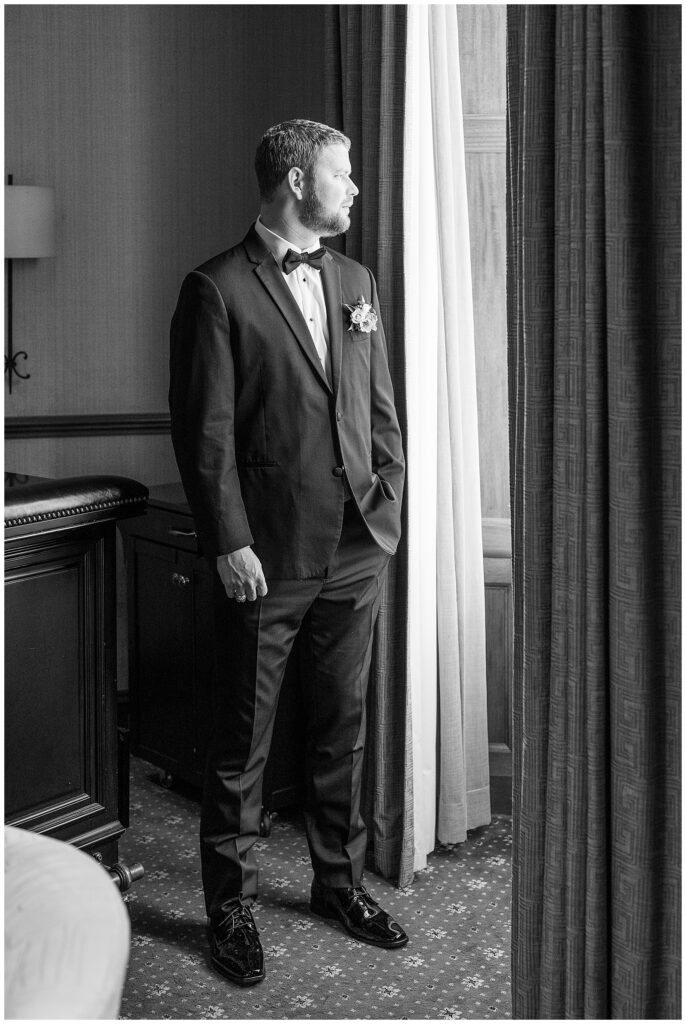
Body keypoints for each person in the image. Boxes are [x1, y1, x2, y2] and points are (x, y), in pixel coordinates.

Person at [169, 118, 407, 987]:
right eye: (342, 175)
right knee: (243, 739)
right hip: (264, 556)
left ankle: (338, 884)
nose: (353, 189)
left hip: (357, 545)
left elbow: (380, 412)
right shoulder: (216, 288)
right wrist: (228, 539)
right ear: (299, 182)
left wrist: (388, 496)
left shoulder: (354, 278)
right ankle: (229, 905)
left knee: (341, 729)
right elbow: (206, 434)